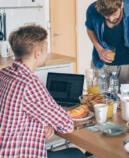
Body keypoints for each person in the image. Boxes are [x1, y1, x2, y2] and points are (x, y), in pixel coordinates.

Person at [0, 25, 84, 158]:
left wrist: (42, 125)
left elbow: (18, 113)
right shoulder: (29, 84)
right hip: (20, 153)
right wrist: (47, 123)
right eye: (46, 49)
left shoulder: (4, 74)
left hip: (6, 149)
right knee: (77, 154)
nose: (47, 52)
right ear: (37, 54)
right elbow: (66, 125)